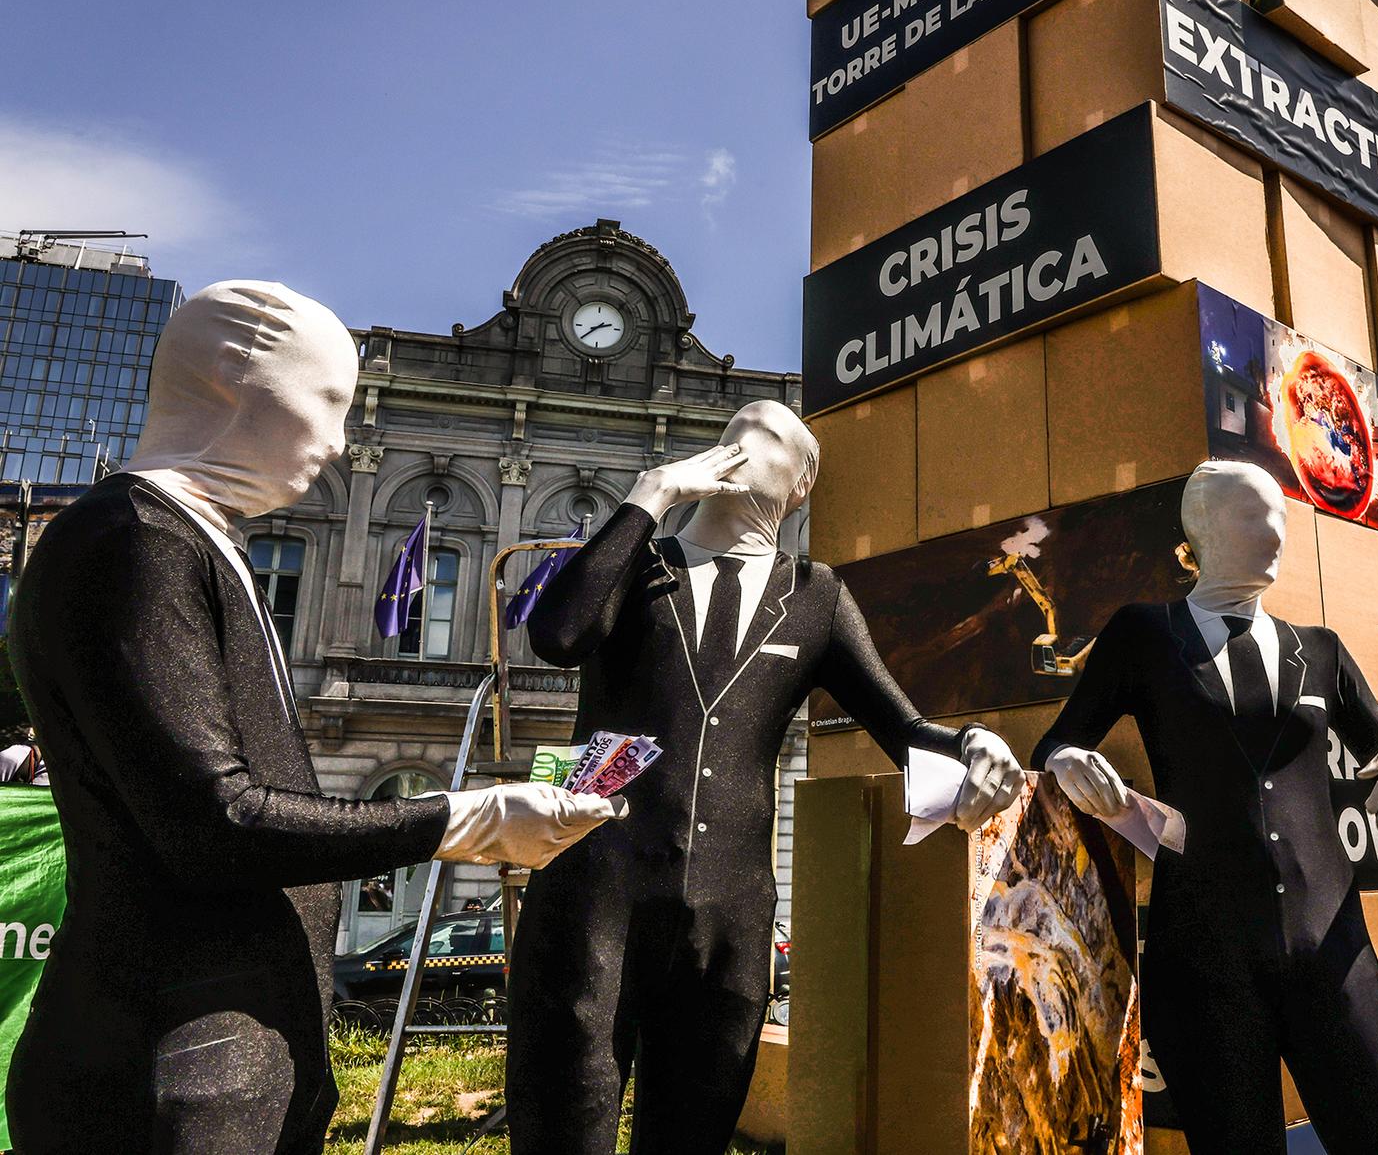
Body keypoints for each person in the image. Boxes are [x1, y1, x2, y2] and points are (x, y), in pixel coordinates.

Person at [3, 282, 623, 1155]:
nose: (336, 442)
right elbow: (217, 822)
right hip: (166, 1076)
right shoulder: (135, 541)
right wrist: (467, 820)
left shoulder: (192, 539)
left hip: (216, 1065)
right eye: (328, 401)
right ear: (231, 379)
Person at [506, 401, 1025, 1155]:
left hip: (729, 921)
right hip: (592, 901)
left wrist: (975, 741)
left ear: (803, 483)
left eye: (772, 431)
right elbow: (557, 635)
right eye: (732, 430)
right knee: (563, 1128)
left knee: (691, 1136)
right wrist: (649, 495)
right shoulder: (638, 559)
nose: (745, 434)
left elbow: (904, 729)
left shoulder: (816, 595)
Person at [1033, 461, 1378, 1155]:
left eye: (1281, 518)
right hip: (1205, 956)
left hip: (1332, 947)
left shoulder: (1320, 650)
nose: (1277, 533)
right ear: (1202, 526)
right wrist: (1066, 760)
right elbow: (1057, 741)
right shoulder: (1144, 635)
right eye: (1255, 516)